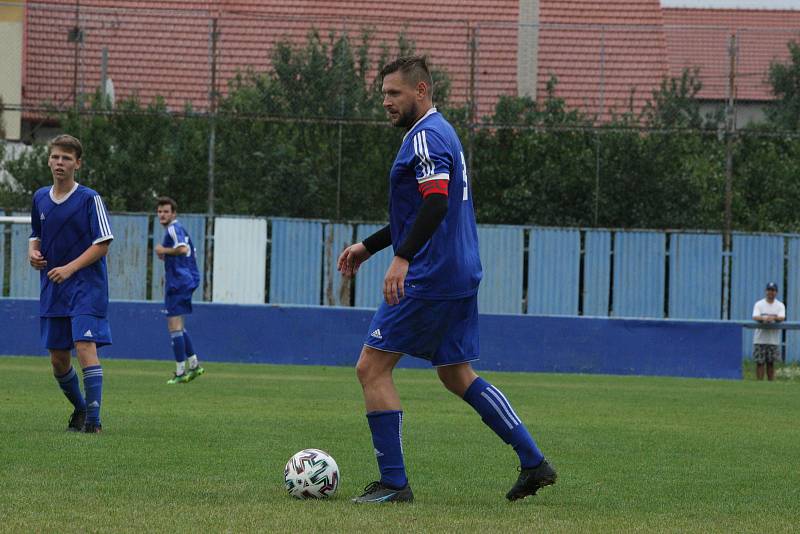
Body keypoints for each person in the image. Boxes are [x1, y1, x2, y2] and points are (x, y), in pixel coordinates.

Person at [337, 56, 556, 503]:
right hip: (459, 271)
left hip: (430, 275)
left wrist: (401, 258)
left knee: (371, 367)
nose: (386, 102)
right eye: (383, 95)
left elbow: (435, 203)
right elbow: (423, 209)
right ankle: (534, 462)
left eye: (394, 93)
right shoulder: (445, 133)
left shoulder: (425, 137)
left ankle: (394, 484)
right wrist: (371, 246)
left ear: (421, 91)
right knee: (456, 373)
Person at [28, 134, 112, 433]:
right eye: (55, 156)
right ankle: (80, 407)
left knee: (84, 344)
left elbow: (103, 243)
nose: (59, 162)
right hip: (53, 286)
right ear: (49, 160)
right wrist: (33, 253)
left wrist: (70, 267)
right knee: (58, 359)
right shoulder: (39, 197)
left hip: (87, 286)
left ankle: (94, 421)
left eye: (66, 157)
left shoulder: (90, 199)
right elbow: (35, 234)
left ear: (78, 163)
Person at [155, 196, 205, 384]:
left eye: (166, 211)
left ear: (173, 213)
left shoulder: (173, 228)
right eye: (160, 212)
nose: (162, 215)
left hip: (180, 281)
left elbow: (182, 249)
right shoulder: (176, 229)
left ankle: (180, 372)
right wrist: (166, 255)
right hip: (184, 279)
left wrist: (163, 250)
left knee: (173, 325)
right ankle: (194, 365)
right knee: (178, 326)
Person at [752, 282, 785, 381]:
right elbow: (755, 316)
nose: (771, 292)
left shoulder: (780, 305)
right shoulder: (759, 304)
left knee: (771, 363)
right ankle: (759, 384)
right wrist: (764, 318)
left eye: (773, 290)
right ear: (766, 291)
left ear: (776, 292)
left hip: (773, 339)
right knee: (760, 362)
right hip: (760, 339)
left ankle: (770, 384)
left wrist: (772, 318)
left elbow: (782, 317)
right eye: (769, 290)